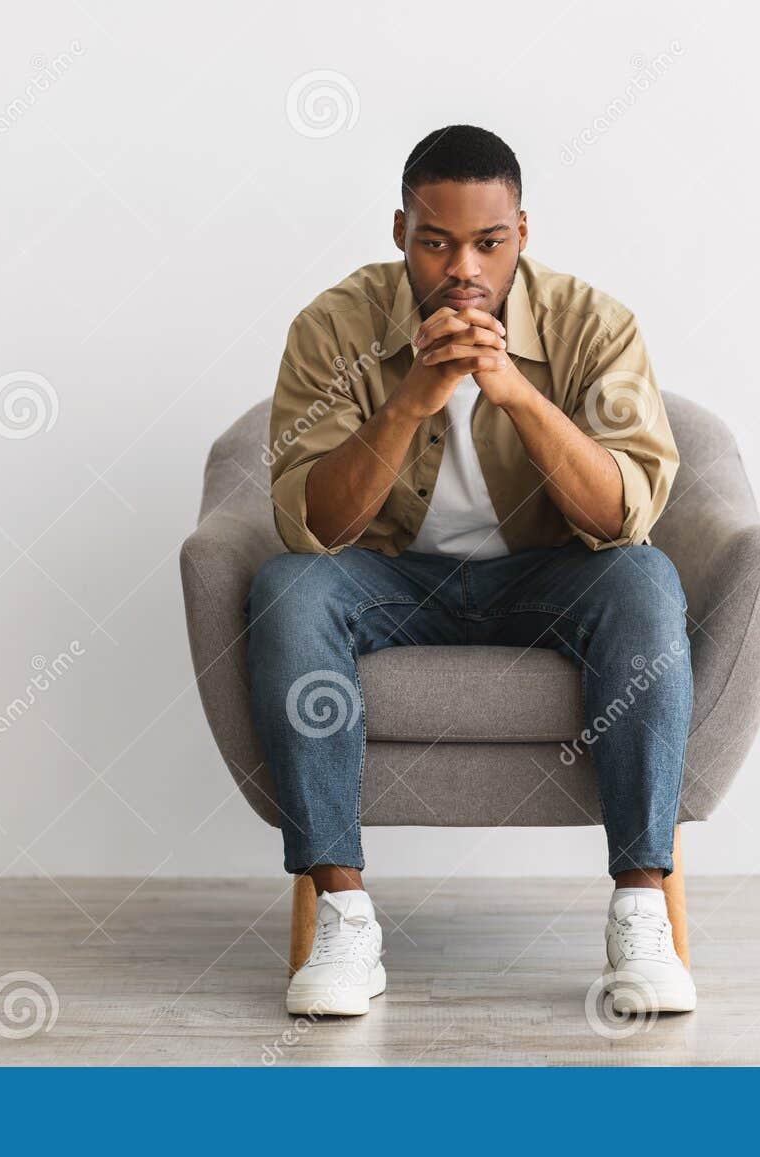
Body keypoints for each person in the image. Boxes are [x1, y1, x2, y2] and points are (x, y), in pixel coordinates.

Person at [247, 124, 694, 1018]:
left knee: (646, 581)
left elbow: (620, 516)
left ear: (522, 233)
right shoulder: (333, 328)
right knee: (284, 591)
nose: (463, 269)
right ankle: (344, 916)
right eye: (435, 241)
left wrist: (517, 393)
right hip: (387, 581)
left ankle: (641, 913)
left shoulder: (593, 326)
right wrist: (412, 397)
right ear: (401, 232)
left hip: (548, 575)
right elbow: (316, 526)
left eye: (488, 243)